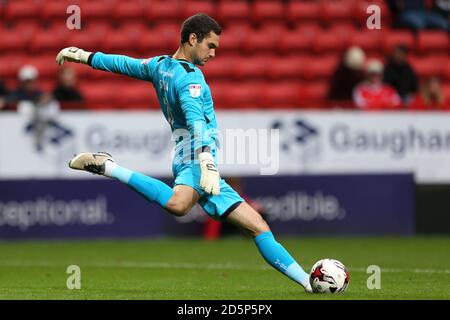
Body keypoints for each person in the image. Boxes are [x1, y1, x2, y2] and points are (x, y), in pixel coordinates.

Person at [56, 14, 313, 293]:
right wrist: (206, 160)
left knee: (258, 226)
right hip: (195, 156)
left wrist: (84, 56)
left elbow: (124, 64)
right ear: (193, 39)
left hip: (192, 154)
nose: (213, 53)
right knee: (178, 205)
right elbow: (195, 119)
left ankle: (308, 284)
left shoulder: (160, 66)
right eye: (210, 46)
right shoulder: (190, 79)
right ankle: (108, 167)